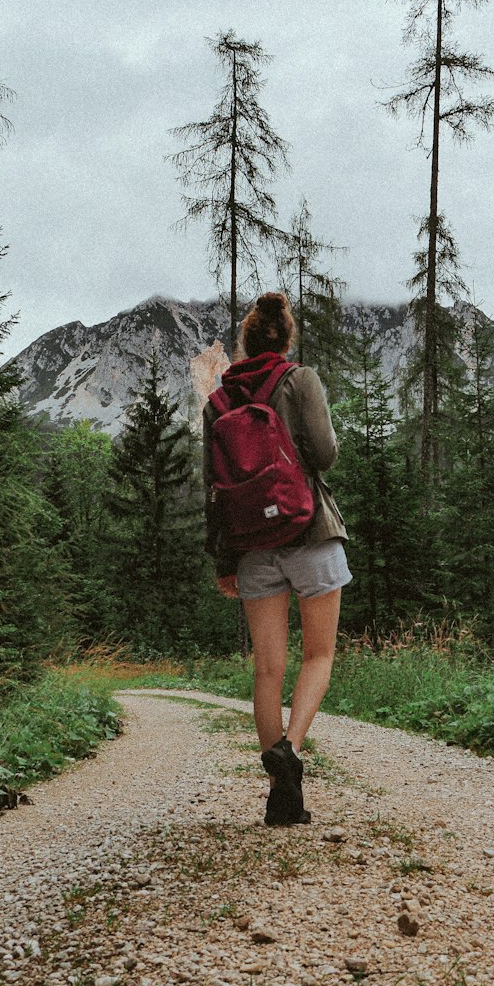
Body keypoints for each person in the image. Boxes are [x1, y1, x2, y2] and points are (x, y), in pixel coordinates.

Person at [203, 292, 352, 825]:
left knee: (267, 670)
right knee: (319, 656)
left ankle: (280, 796)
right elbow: (326, 453)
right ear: (285, 338)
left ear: (244, 342)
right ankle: (290, 747)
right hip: (309, 529)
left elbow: (214, 490)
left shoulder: (217, 403)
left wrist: (224, 562)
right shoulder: (300, 379)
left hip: (251, 546)